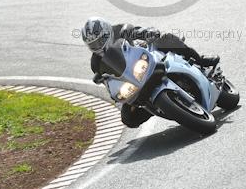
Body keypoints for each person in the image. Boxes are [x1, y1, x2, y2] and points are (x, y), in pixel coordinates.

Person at [82, 17, 220, 128]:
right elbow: (108, 82)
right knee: (128, 118)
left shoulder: (120, 30)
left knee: (167, 39)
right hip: (133, 82)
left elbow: (136, 30)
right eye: (93, 44)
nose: (98, 46)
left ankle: (200, 60)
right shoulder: (96, 63)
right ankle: (160, 107)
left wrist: (146, 32)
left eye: (100, 40)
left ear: (107, 33)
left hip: (147, 59)